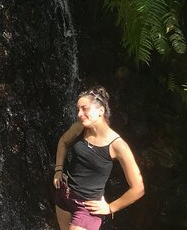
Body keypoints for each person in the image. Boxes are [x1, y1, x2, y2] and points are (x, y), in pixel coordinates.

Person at [53, 86, 144, 230]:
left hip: (87, 208)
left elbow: (138, 188)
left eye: (84, 109)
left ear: (101, 111)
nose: (79, 114)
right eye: (78, 109)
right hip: (64, 194)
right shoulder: (80, 128)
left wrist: (110, 207)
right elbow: (63, 142)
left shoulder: (118, 145)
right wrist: (58, 169)